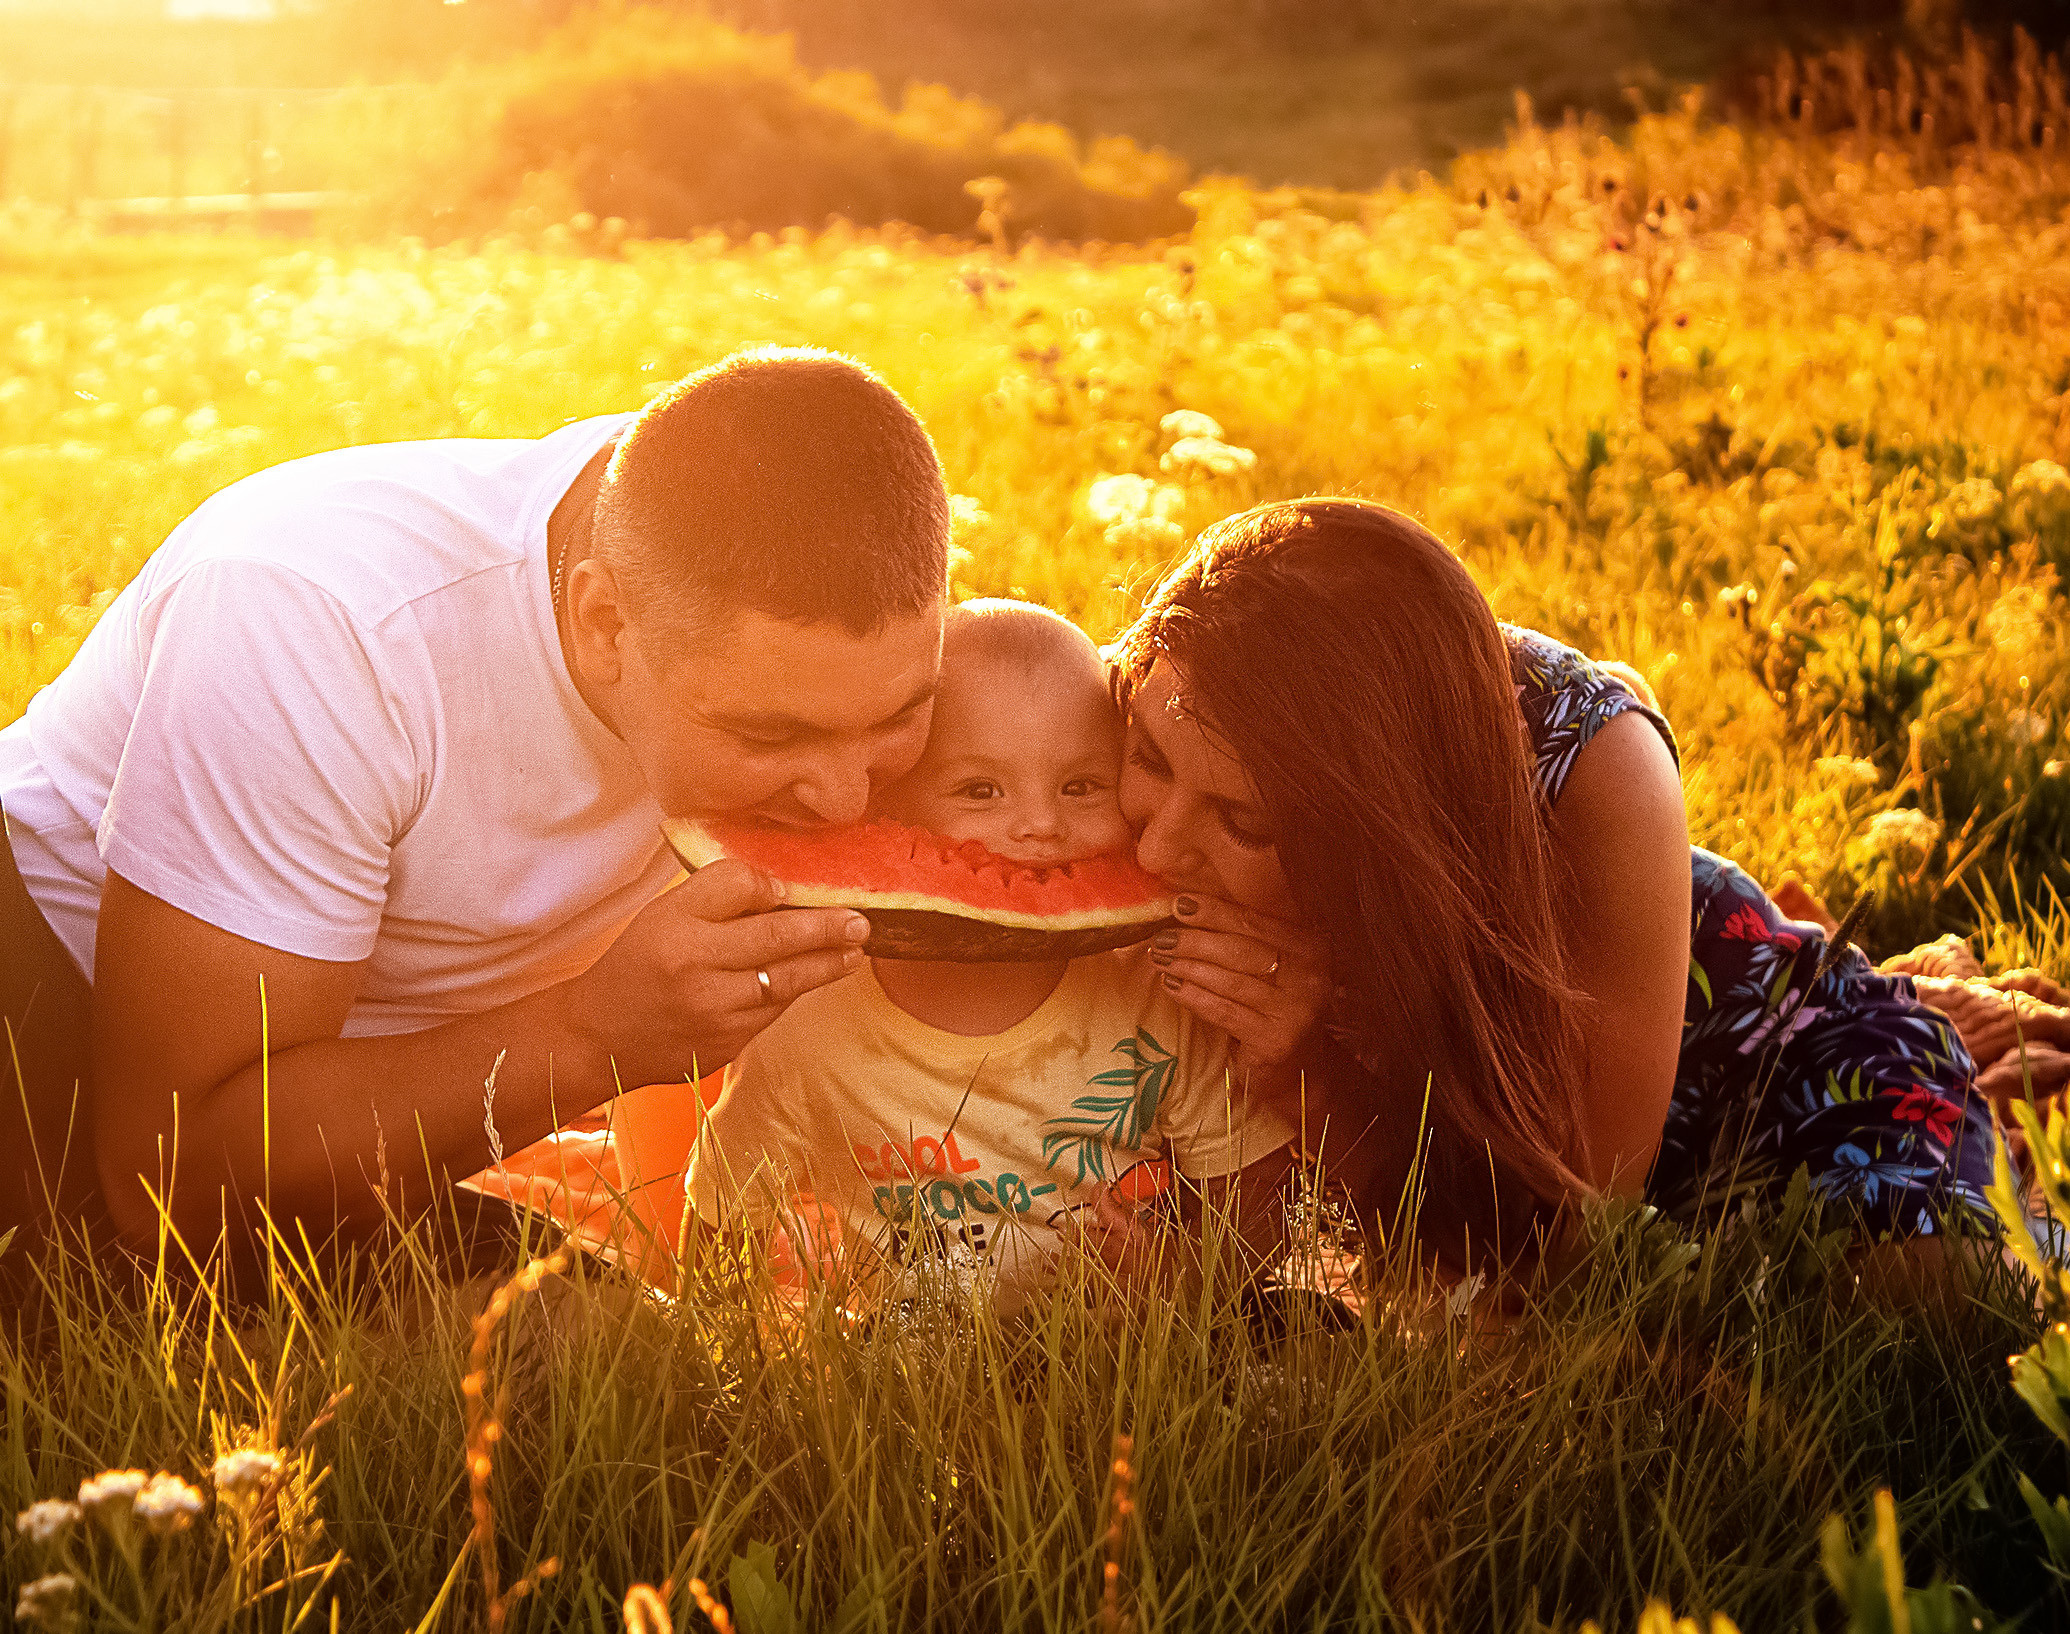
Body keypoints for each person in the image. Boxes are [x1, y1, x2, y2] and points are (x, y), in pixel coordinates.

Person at [0, 347, 952, 1268]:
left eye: (900, 718)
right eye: (771, 739)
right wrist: (591, 1038)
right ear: (605, 624)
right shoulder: (321, 625)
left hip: (375, 1072)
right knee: (568, 1339)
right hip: (63, 1009)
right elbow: (167, 1182)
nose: (845, 799)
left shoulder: (793, 572)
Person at [1106, 497, 1992, 1276]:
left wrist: (1315, 1074)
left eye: (1245, 822)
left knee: (1933, 1292)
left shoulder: (1601, 764)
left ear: (1379, 822)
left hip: (1747, 1069)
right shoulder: (1166, 680)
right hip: (1473, 1153)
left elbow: (1581, 1228)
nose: (1158, 845)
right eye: (1147, 760)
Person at [671, 599, 1300, 1307]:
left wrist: (1177, 1277)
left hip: (1114, 1345)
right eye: (980, 790)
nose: (1040, 825)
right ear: (886, 814)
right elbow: (724, 1211)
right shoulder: (810, 1021)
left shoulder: (1159, 992)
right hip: (902, 1356)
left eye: (1081, 786)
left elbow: (1255, 1188)